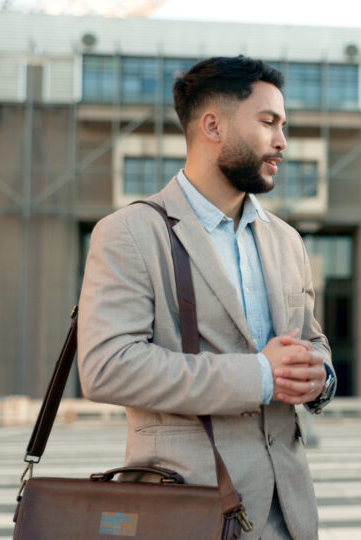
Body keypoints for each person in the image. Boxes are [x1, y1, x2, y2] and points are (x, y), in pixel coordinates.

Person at [78, 56, 335, 540]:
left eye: (284, 125)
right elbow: (107, 366)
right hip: (186, 509)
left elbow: (312, 343)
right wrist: (260, 374)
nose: (282, 142)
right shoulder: (130, 233)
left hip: (291, 515)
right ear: (212, 125)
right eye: (268, 123)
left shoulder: (287, 241)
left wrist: (321, 376)